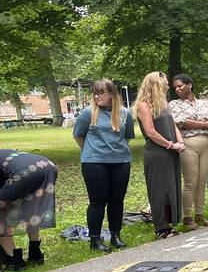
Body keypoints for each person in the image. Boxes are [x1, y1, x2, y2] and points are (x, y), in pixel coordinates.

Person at [73, 78, 134, 252]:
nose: (97, 96)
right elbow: (78, 135)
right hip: (94, 163)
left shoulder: (124, 113)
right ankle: (95, 239)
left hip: (121, 161)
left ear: (112, 94)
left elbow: (127, 136)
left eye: (101, 93)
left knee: (117, 201)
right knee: (97, 202)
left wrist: (116, 151)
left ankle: (116, 235)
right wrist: (91, 151)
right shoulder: (88, 113)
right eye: (95, 93)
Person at [134, 72, 184, 239]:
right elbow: (150, 132)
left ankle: (171, 224)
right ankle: (161, 228)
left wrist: (180, 141)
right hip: (157, 153)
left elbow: (173, 126)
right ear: (156, 84)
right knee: (159, 190)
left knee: (171, 188)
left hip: (171, 152)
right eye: (165, 83)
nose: (169, 86)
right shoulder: (144, 105)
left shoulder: (164, 104)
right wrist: (170, 144)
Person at [169, 74, 208, 229]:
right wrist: (204, 124)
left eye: (180, 85)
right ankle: (187, 217)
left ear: (189, 85)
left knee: (202, 182)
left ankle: (200, 214)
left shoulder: (205, 103)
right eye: (175, 87)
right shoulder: (174, 104)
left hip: (206, 143)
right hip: (188, 144)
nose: (177, 89)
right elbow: (181, 123)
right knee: (191, 181)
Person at [0, 150, 57, 270]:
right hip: (48, 166)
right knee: (32, 208)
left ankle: (14, 261)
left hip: (24, 172)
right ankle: (35, 253)